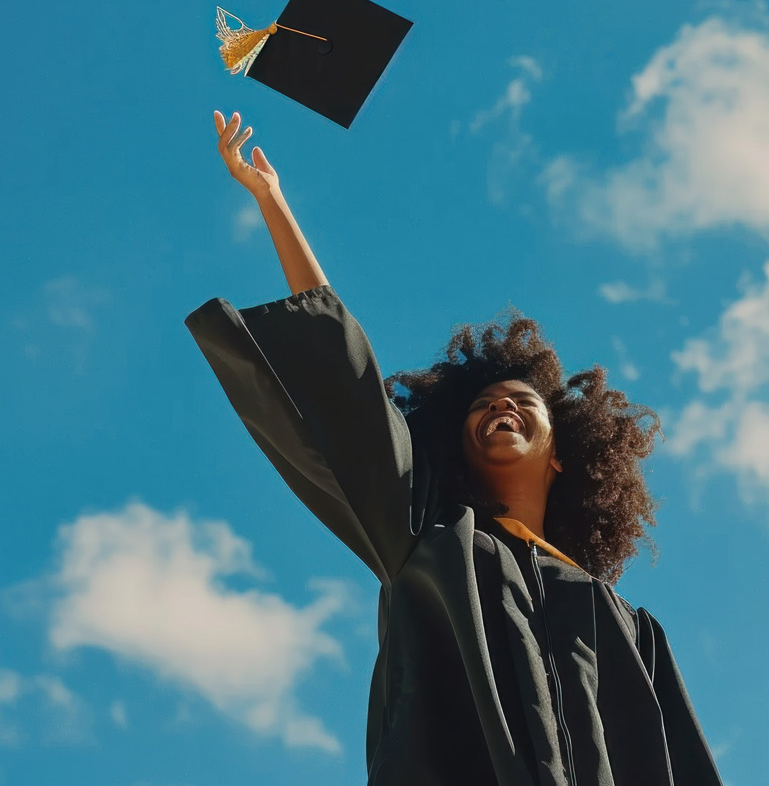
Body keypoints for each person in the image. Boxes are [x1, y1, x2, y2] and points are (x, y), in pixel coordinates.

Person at [186, 111, 724, 786]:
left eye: (522, 403)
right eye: (482, 405)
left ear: (564, 454)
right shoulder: (428, 542)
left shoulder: (632, 628)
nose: (501, 406)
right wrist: (273, 202)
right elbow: (350, 394)